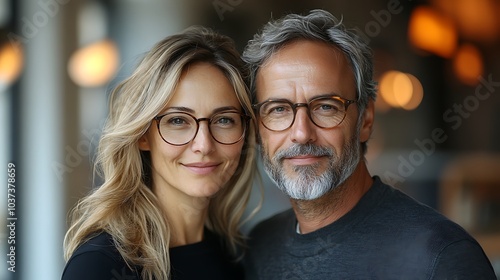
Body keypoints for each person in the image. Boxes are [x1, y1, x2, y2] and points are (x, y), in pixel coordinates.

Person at [242, 9, 496, 279]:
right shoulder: (258, 247)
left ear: (365, 120)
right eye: (278, 110)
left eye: (326, 107)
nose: (302, 133)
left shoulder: (440, 256)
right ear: (258, 128)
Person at [62, 26, 257, 280]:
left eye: (224, 120)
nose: (204, 145)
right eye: (178, 121)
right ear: (143, 135)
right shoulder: (100, 264)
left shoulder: (235, 256)